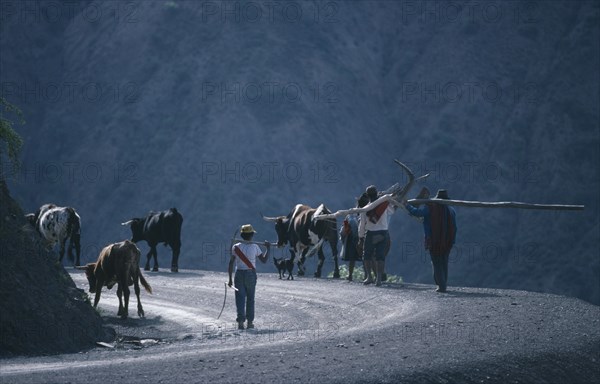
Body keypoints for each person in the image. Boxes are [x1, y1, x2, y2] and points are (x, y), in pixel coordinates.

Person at [404, 188, 457, 293]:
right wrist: (452, 240)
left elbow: (417, 212)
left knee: (436, 263)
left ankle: (441, 286)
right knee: (444, 262)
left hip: (434, 240)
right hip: (447, 241)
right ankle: (443, 284)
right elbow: (454, 227)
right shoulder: (451, 210)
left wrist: (407, 205)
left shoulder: (431, 208)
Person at [228, 224, 270, 329]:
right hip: (250, 274)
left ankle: (241, 322)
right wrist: (268, 248)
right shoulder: (255, 247)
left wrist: (229, 279)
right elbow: (264, 260)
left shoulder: (235, 247)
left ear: (242, 235)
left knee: (240, 299)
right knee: (250, 299)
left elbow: (231, 263)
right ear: (251, 235)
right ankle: (250, 323)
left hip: (239, 275)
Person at [358, 185, 397, 286]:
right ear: (376, 193)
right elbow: (392, 211)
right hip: (383, 233)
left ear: (367, 195)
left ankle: (369, 277)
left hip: (370, 233)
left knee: (366, 256)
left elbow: (362, 224)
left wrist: (361, 237)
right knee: (380, 257)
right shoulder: (384, 204)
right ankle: (378, 279)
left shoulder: (365, 208)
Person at [340, 193, 369, 281]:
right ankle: (366, 276)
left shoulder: (350, 214)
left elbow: (345, 227)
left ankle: (350, 275)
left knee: (353, 258)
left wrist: (343, 236)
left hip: (352, 239)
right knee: (365, 258)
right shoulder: (368, 212)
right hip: (364, 238)